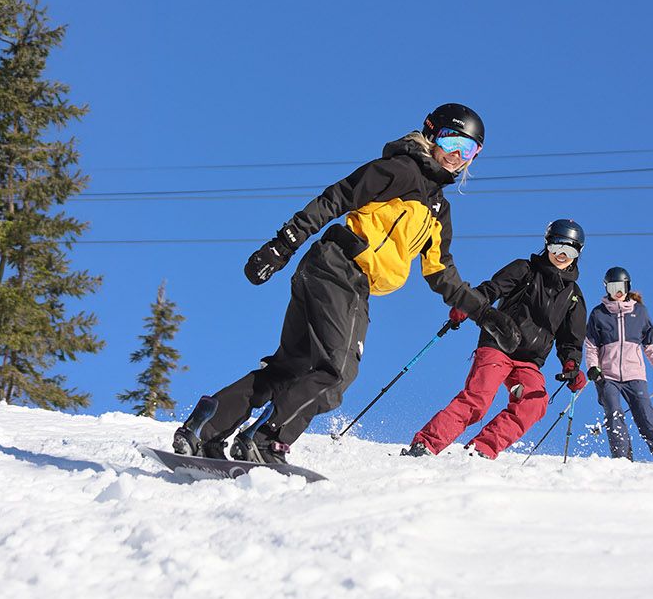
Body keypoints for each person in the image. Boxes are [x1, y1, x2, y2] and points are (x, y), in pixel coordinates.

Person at [172, 104, 521, 464]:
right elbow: (336, 198)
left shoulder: (438, 212)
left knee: (289, 369)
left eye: (469, 151)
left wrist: (485, 315)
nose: (457, 157)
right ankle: (266, 439)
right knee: (335, 373)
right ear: (431, 135)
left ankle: (204, 428)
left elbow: (441, 274)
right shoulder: (401, 170)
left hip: (336, 277)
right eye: (452, 142)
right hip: (342, 273)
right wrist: (282, 244)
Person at [403, 219, 589, 459]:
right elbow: (491, 289)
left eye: (570, 249)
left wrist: (571, 365)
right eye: (556, 247)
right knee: (478, 400)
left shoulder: (574, 296)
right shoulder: (525, 269)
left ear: (578, 253)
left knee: (535, 402)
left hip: (529, 362)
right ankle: (426, 444)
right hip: (498, 346)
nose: (562, 255)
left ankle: (481, 449)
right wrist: (466, 305)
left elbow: (571, 340)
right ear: (547, 245)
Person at [583, 266, 653, 466]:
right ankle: (622, 463)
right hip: (607, 377)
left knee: (647, 421)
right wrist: (593, 367)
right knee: (613, 415)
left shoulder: (640, 313)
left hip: (635, 376)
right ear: (606, 288)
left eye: (621, 287)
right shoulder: (598, 314)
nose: (617, 292)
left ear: (628, 287)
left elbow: (652, 349)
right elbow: (591, 346)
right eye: (612, 287)